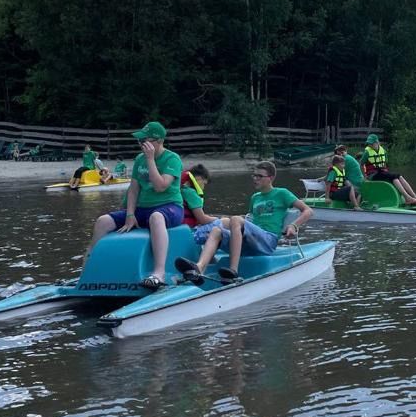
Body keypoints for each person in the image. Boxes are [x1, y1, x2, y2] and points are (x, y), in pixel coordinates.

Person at [174, 161, 313, 284]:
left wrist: (293, 225)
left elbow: (308, 211)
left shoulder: (282, 193)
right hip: (251, 243)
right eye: (254, 175)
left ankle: (233, 271)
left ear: (270, 178)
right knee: (216, 231)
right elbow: (249, 222)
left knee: (235, 219)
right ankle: (199, 268)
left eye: (259, 176)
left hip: (268, 241)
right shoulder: (255, 198)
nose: (255, 179)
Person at [86, 121, 183, 290]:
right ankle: (88, 271)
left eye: (144, 140)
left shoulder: (172, 159)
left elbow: (160, 186)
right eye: (139, 141)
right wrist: (130, 214)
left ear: (159, 141)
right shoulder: (139, 159)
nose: (141, 144)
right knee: (102, 221)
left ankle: (158, 273)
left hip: (169, 206)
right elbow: (133, 189)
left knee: (156, 217)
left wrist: (150, 160)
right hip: (142, 209)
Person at [359, 134, 416, 206]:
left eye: (371, 143)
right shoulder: (367, 152)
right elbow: (361, 164)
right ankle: (407, 198)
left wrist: (386, 172)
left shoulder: (383, 151)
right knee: (394, 177)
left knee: (399, 176)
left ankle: (415, 197)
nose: (370, 145)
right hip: (372, 174)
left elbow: (385, 164)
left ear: (377, 142)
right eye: (369, 143)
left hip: (381, 172)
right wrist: (364, 176)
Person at [180, 164, 219, 244]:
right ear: (199, 178)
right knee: (224, 223)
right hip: (190, 229)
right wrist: (218, 219)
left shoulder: (182, 189)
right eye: (204, 184)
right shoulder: (191, 193)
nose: (203, 187)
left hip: (182, 226)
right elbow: (202, 219)